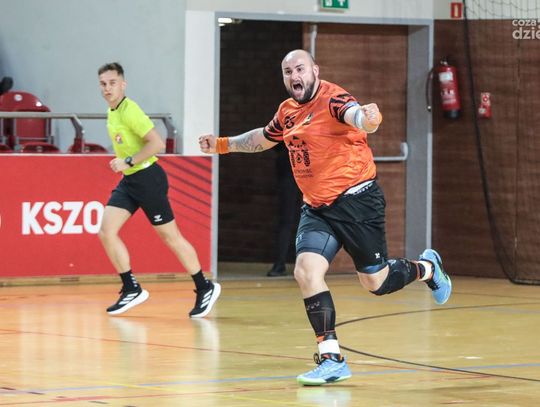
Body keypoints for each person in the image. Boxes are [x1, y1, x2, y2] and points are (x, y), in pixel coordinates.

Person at [199, 49, 451, 385]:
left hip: (357, 203)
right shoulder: (287, 111)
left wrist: (370, 118)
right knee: (306, 271)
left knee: (375, 282)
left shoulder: (333, 99)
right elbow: (264, 138)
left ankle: (428, 268)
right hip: (318, 208)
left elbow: (358, 117)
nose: (294, 76)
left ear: (315, 70)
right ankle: (332, 358)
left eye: (300, 69)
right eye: (288, 71)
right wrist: (222, 144)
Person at [98, 62, 220, 318]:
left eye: (112, 83)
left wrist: (128, 161)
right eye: (103, 84)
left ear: (123, 84)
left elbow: (157, 144)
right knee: (107, 231)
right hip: (130, 181)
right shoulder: (112, 111)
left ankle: (204, 286)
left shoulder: (131, 111)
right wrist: (126, 164)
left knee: (171, 237)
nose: (107, 88)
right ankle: (131, 288)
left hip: (148, 179)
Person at [266, 142, 301, 277]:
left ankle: (279, 265)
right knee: (307, 220)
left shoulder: (285, 130)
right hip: (304, 175)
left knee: (286, 222)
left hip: (288, 173)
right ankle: (288, 265)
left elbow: (271, 142)